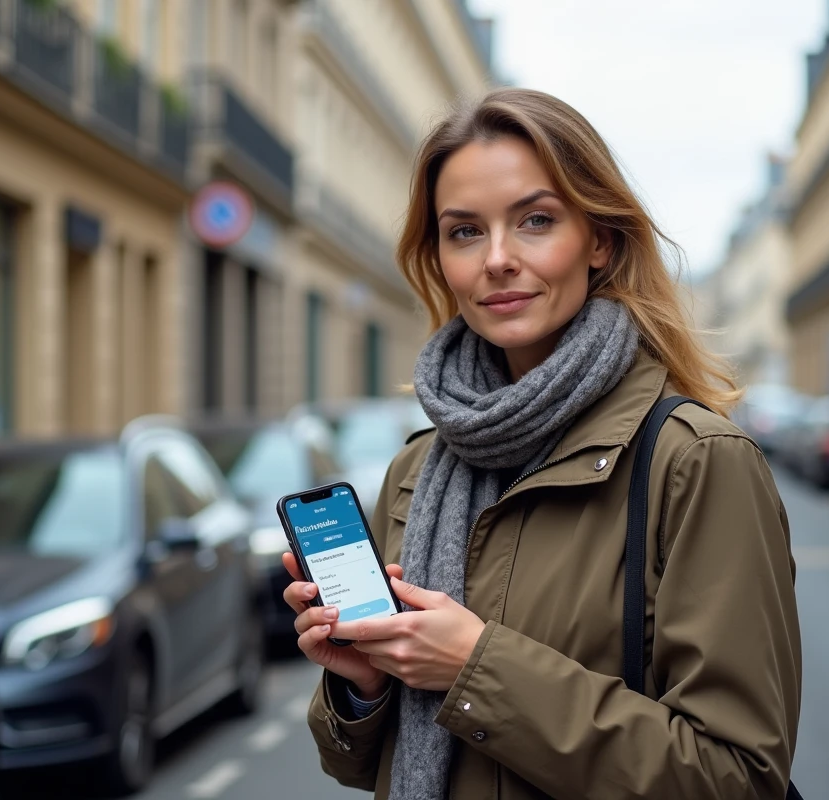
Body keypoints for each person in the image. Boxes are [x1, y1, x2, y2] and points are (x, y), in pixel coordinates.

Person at [282, 88, 801, 800]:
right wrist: (363, 689)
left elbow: (736, 776)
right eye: (464, 231)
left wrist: (475, 667)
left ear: (599, 240)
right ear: (439, 258)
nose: (497, 259)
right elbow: (354, 764)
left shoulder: (696, 461)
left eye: (534, 221)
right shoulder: (415, 469)